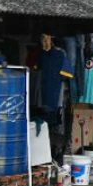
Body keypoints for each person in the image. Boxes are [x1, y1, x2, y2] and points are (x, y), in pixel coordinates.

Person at [31, 33, 72, 168]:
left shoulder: (60, 55)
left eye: (46, 39)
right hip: (42, 97)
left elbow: (67, 75)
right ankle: (45, 157)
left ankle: (56, 154)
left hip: (55, 97)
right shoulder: (41, 56)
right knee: (43, 126)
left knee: (56, 127)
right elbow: (36, 74)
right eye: (42, 39)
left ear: (52, 39)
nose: (44, 42)